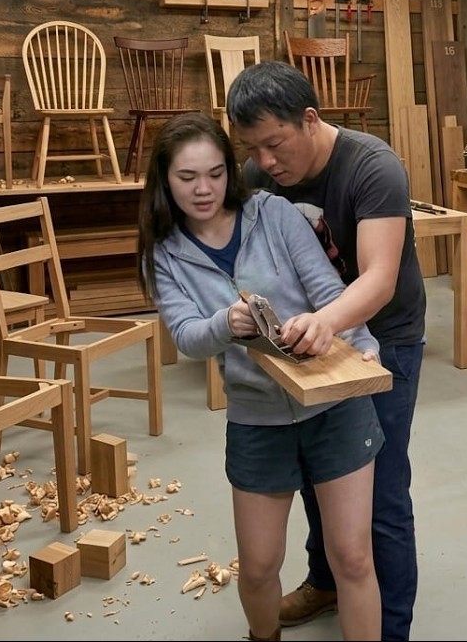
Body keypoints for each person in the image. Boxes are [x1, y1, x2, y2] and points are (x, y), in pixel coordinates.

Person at [136, 111, 384, 641]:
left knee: (354, 558)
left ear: (230, 170)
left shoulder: (274, 213)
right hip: (257, 419)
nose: (204, 189)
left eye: (215, 174)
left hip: (334, 407)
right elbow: (185, 335)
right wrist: (226, 323)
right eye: (187, 178)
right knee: (257, 566)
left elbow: (330, 294)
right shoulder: (167, 252)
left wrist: (358, 346)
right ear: (165, 180)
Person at [226, 61, 427, 641]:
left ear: (309, 120)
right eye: (252, 148)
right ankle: (327, 581)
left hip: (380, 336)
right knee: (320, 469)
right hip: (307, 335)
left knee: (380, 488)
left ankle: (389, 630)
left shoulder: (372, 167)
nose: (264, 161)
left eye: (274, 143)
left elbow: (379, 278)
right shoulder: (259, 175)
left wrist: (329, 323)